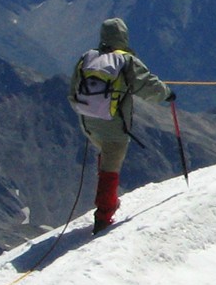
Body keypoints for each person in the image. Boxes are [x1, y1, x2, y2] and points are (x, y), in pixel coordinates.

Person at [68, 17, 173, 233]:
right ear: (123, 36)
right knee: (110, 169)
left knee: (105, 156)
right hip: (114, 126)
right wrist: (167, 93)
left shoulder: (87, 58)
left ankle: (107, 202)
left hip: (88, 123)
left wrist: (90, 112)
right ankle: (104, 214)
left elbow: (73, 92)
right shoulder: (126, 61)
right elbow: (148, 86)